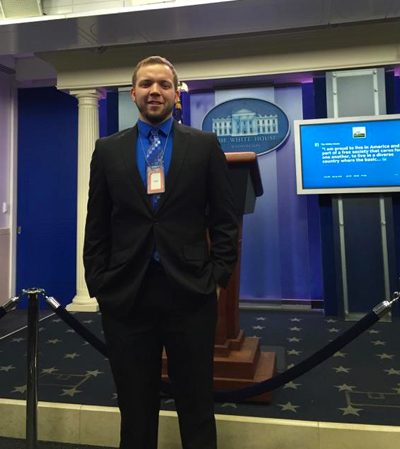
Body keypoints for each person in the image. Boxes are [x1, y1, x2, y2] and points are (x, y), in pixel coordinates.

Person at [83, 56, 238, 449]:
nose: (155, 91)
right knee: (135, 409)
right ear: (133, 92)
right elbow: (97, 224)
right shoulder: (107, 150)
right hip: (127, 295)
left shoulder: (204, 146)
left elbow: (225, 220)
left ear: (176, 93)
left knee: (197, 406)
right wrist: (99, 283)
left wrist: (217, 279)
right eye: (147, 84)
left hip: (190, 294)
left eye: (164, 85)